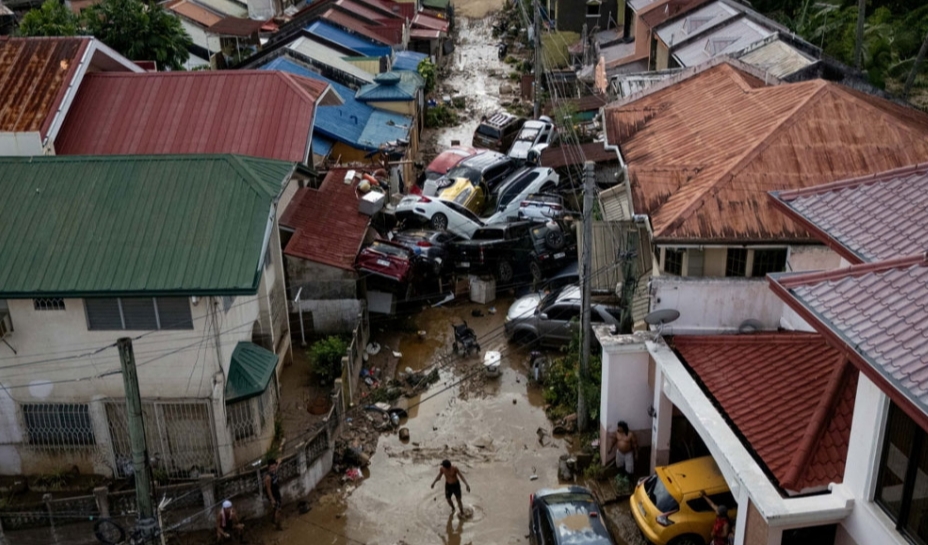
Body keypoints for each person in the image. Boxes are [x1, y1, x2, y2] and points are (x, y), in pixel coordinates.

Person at [263, 458, 283, 531]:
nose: (273, 469)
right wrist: (272, 499)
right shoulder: (268, 477)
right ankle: (278, 525)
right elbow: (268, 489)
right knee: (278, 509)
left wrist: (279, 462)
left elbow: (277, 465)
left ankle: (274, 520)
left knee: (276, 508)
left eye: (274, 467)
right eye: (271, 468)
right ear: (268, 468)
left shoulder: (274, 471)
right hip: (273, 495)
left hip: (276, 492)